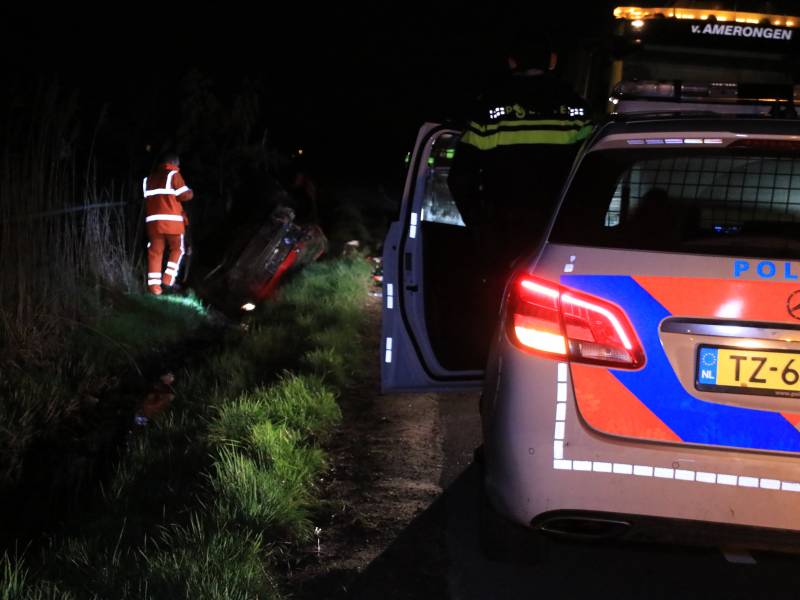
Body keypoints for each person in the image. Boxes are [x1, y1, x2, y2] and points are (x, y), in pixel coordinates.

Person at [447, 28, 593, 291]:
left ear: (512, 62)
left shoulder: (488, 111)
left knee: (498, 302)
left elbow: (460, 178)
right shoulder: (577, 110)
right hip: (558, 234)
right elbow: (590, 174)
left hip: (503, 235)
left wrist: (483, 230)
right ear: (552, 60)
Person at [142, 152, 193, 295]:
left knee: (155, 253)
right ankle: (167, 281)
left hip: (153, 223)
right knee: (178, 249)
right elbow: (184, 195)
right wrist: (191, 192)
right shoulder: (173, 175)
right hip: (173, 224)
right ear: (174, 163)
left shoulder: (148, 179)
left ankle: (154, 288)